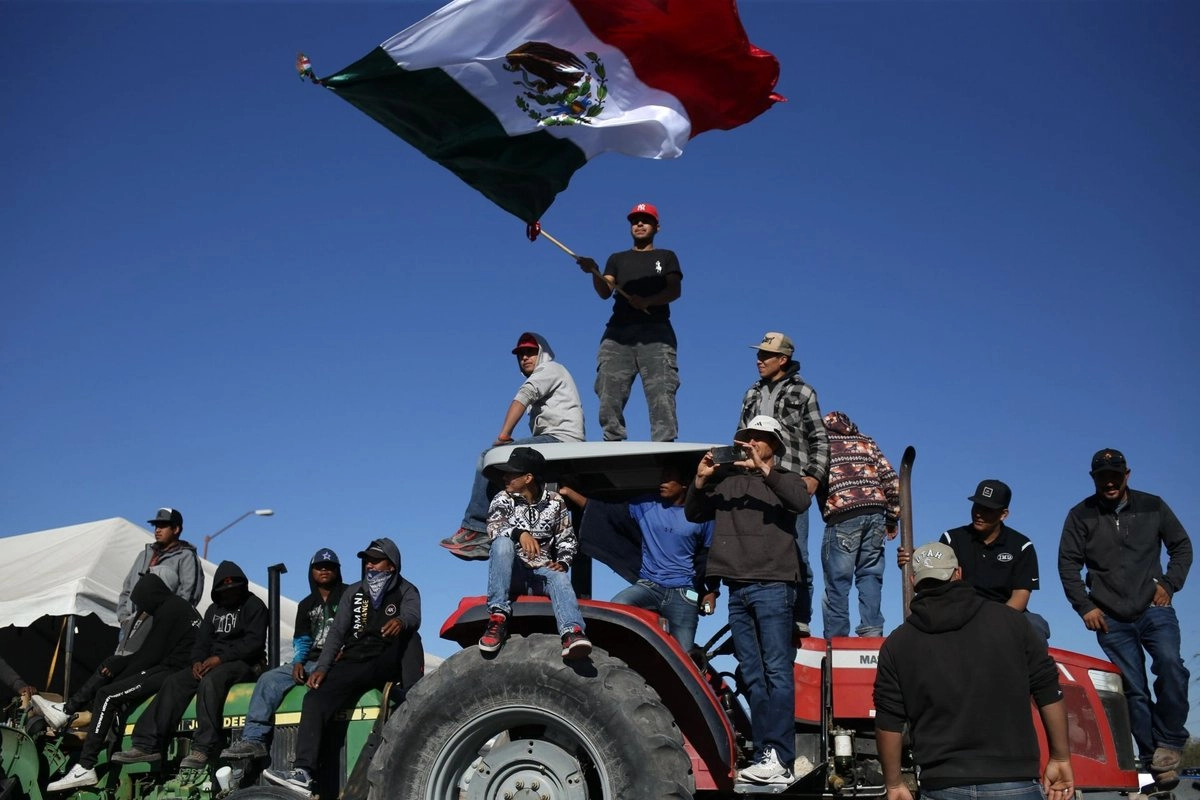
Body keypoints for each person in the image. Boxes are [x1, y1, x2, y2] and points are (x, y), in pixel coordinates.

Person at [874, 542, 1074, 800]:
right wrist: (1060, 757)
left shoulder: (898, 643)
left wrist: (894, 783)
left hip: (942, 785)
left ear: (913, 581)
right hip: (1013, 779)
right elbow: (1049, 691)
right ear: (958, 573)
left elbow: (888, 719)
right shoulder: (1012, 622)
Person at [685, 415, 809, 786]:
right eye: (747, 437)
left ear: (774, 444)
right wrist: (702, 478)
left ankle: (781, 757)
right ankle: (764, 755)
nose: (752, 443)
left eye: (760, 438)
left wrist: (765, 471)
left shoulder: (785, 479)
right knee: (753, 675)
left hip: (774, 585)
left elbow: (800, 502)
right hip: (738, 589)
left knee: (776, 671)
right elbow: (694, 511)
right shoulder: (729, 480)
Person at [1058, 448, 1192, 783]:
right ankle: (1154, 760)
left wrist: (1170, 583)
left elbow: (1182, 546)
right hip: (1110, 618)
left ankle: (1170, 742)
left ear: (1126, 475)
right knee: (1133, 688)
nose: (1109, 482)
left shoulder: (1153, 505)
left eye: (1115, 476)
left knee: (1171, 665)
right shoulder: (1080, 515)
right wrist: (1085, 606)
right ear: (1094, 479)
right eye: (1102, 476)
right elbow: (1067, 564)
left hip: (1153, 608)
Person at [264, 538, 420, 795]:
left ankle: (414, 701)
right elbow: (337, 632)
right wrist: (322, 667)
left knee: (412, 637)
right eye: (366, 560)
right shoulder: (355, 591)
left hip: (388, 656)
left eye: (375, 560)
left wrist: (402, 621)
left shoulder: (406, 589)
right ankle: (304, 772)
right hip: (356, 658)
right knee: (314, 698)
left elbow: (414, 615)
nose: (369, 564)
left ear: (391, 566)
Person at [39, 574, 200, 791]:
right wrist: (118, 666)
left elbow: (150, 655)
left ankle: (85, 765)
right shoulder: (175, 606)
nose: (142, 609)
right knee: (113, 664)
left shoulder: (169, 611)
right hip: (169, 667)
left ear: (150, 596)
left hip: (173, 671)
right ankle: (67, 709)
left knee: (107, 695)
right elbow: (149, 654)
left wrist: (120, 675)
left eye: (142, 602)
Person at [112, 561, 268, 770]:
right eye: (225, 591)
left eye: (234, 589)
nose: (229, 594)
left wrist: (219, 659)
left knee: (211, 682)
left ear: (242, 587)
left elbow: (253, 643)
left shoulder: (254, 606)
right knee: (175, 681)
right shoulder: (213, 610)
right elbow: (201, 642)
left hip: (244, 663)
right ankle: (147, 745)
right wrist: (196, 661)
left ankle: (204, 747)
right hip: (211, 662)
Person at [442, 332, 585, 557]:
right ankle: (505, 528)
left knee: (489, 457)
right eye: (520, 354)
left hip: (560, 440)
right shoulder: (549, 375)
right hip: (555, 441)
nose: (525, 357)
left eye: (530, 352)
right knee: (511, 479)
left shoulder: (549, 369)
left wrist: (504, 435)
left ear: (543, 353)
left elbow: (524, 395)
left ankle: (476, 528)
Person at [560, 463, 713, 651]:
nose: (662, 482)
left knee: (684, 655)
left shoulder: (702, 516)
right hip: (650, 585)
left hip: (683, 592)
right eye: (661, 477)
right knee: (618, 607)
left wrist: (711, 591)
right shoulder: (646, 505)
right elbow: (603, 512)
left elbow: (707, 558)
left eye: (668, 478)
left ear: (684, 484)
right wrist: (569, 492)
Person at [738, 331, 828, 636]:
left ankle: (799, 617)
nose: (759, 360)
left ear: (783, 359)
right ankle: (760, 617)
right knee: (754, 547)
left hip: (790, 480)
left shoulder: (803, 392)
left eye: (766, 355)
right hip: (754, 480)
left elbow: (819, 437)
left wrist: (813, 476)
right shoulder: (751, 392)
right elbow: (740, 435)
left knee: (797, 551)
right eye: (758, 354)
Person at [220, 548, 347, 761]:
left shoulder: (350, 595)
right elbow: (303, 639)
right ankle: (254, 739)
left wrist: (346, 652)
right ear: (311, 571)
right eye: (319, 567)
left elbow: (357, 630)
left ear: (338, 570)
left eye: (330, 566)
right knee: (269, 678)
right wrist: (298, 662)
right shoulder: (306, 604)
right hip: (310, 661)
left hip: (338, 661)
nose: (324, 570)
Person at [576, 202, 682, 442]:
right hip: (617, 333)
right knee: (608, 388)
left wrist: (648, 301)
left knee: (661, 391)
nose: (640, 224)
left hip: (656, 332)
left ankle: (664, 443)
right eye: (635, 221)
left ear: (657, 226)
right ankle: (613, 439)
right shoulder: (617, 258)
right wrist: (594, 271)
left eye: (645, 220)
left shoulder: (666, 257)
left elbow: (674, 290)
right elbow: (605, 290)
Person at [897, 479, 1050, 642]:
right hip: (959, 611)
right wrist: (917, 561)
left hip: (1003, 612)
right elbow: (937, 577)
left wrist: (994, 621)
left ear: (1004, 514)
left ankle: (1034, 668)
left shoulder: (1021, 545)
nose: (979, 513)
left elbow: (1021, 594)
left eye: (988, 509)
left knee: (1036, 624)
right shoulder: (952, 538)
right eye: (977, 506)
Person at [475, 447, 592, 659]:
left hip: (540, 573)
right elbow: (493, 528)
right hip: (513, 573)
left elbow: (567, 538)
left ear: (528, 477)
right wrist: (520, 533)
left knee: (559, 576)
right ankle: (498, 616)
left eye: (511, 473)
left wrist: (564, 562)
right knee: (502, 543)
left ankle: (571, 632)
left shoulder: (555, 502)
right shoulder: (503, 499)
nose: (505, 477)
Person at [818, 410, 900, 638]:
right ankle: (872, 633)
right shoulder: (865, 440)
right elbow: (893, 480)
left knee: (837, 583)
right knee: (870, 575)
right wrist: (892, 518)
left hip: (842, 514)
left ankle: (837, 640)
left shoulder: (821, 442)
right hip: (876, 513)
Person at [116, 507, 204, 649]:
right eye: (156, 526)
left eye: (163, 526)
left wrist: (166, 622)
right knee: (119, 663)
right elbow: (127, 587)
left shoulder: (186, 556)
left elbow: (189, 594)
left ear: (176, 529)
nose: (157, 530)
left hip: (159, 626)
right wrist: (124, 618)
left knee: (144, 666)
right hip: (131, 623)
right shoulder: (143, 555)